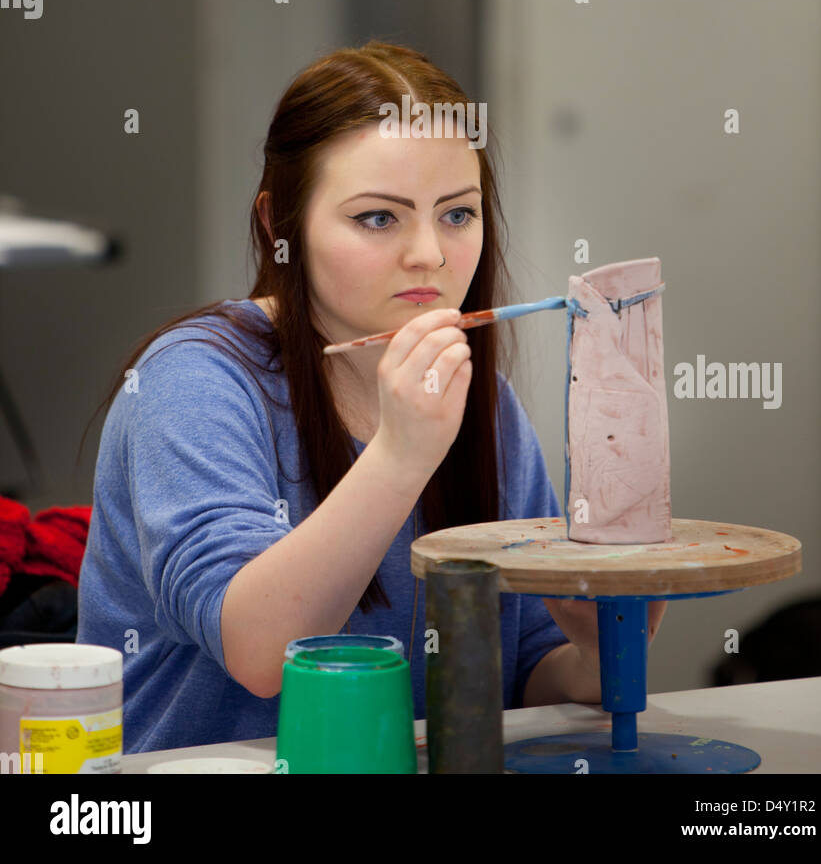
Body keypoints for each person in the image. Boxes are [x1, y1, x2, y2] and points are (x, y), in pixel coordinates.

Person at [76, 39, 666, 753]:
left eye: (457, 214)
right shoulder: (193, 381)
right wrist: (398, 456)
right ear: (278, 225)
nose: (430, 254)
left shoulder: (486, 404)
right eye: (378, 218)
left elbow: (528, 675)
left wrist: (599, 652)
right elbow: (260, 651)